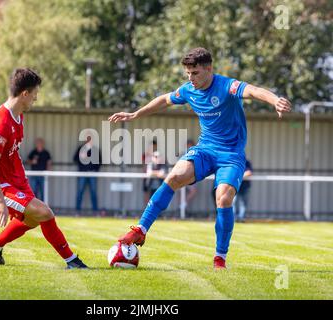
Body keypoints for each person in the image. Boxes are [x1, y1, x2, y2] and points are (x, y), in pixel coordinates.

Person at [109, 47, 291, 269]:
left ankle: (219, 257)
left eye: (195, 73)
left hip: (231, 154)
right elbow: (164, 100)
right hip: (205, 148)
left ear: (208, 69)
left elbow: (252, 90)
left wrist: (275, 100)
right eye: (187, 73)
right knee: (175, 176)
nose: (190, 78)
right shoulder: (188, 90)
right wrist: (136, 114)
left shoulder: (226, 86)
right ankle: (141, 230)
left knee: (223, 199)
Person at [0, 68, 87, 269]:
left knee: (34, 218)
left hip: (15, 180)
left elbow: (11, 154)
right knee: (45, 213)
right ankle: (72, 261)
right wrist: (1, 201)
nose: (35, 99)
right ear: (24, 94)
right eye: (34, 95)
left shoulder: (18, 117)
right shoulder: (0, 122)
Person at [73, 133, 102, 212]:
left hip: (92, 174)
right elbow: (75, 159)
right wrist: (81, 157)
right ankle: (77, 210)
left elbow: (99, 162)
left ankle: (95, 210)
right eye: (87, 138)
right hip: (82, 173)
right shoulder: (81, 149)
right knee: (80, 192)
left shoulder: (95, 149)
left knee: (93, 192)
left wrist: (95, 170)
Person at [142, 140, 158, 205]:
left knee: (154, 193)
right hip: (147, 177)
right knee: (146, 193)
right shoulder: (145, 155)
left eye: (154, 147)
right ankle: (146, 209)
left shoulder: (157, 155)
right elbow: (144, 165)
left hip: (154, 177)